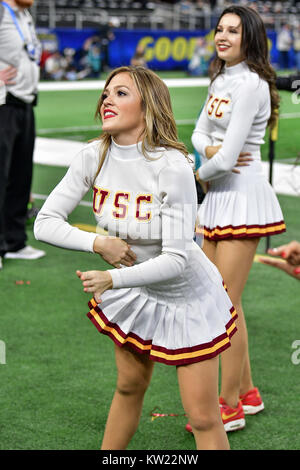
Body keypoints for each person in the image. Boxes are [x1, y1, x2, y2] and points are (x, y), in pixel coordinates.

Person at [34, 65, 239, 450]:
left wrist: (113, 279)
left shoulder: (172, 166)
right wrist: (98, 245)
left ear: (149, 107)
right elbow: (44, 223)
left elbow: (177, 259)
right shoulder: (92, 156)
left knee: (203, 416)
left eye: (121, 93)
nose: (107, 99)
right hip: (140, 293)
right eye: (106, 93)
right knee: (129, 386)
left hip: (186, 297)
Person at [189, 5, 286, 433]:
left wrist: (199, 172)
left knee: (220, 306)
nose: (223, 36)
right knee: (227, 301)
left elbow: (229, 159)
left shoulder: (251, 85)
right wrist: (209, 152)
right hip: (219, 198)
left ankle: (227, 405)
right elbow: (197, 133)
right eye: (219, 29)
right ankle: (247, 391)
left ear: (250, 37)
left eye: (233, 30)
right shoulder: (221, 78)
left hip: (242, 199)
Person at [0, 0, 45, 271]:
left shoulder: (24, 14)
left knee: (20, 175)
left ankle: (15, 242)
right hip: (2, 104)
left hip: (24, 103)